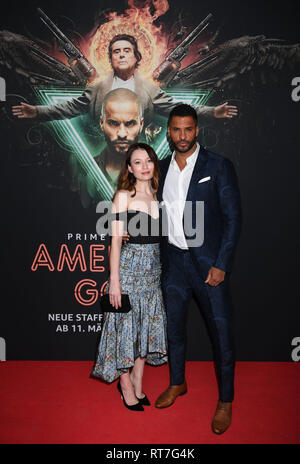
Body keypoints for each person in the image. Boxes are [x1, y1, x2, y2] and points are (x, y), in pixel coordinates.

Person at [155, 104, 242, 434]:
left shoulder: (218, 166)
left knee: (221, 335)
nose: (182, 136)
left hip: (208, 267)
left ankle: (226, 400)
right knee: (174, 329)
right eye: (176, 130)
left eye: (188, 129)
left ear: (197, 131)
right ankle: (178, 382)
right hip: (174, 263)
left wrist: (222, 264)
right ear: (169, 132)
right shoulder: (161, 168)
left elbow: (234, 220)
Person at [11, 34, 238, 126]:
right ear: (110, 58)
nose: (121, 54)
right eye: (116, 51)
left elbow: (178, 109)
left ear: (136, 57)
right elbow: (70, 108)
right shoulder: (98, 87)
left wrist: (212, 112)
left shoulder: (149, 88)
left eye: (126, 50)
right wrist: (37, 112)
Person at [91, 142, 167, 411]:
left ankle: (138, 380)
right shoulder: (124, 196)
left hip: (154, 272)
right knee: (125, 329)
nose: (144, 166)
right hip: (129, 269)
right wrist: (115, 280)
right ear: (129, 167)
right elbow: (115, 241)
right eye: (137, 162)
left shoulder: (159, 195)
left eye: (148, 160)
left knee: (144, 329)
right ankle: (125, 387)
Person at [80, 88, 144, 207]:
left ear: (141, 125)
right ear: (101, 123)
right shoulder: (84, 172)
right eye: (113, 123)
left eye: (130, 124)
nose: (122, 134)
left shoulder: (158, 172)